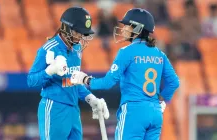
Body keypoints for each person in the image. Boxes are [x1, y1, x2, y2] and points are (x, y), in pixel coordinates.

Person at [71, 8, 180, 140]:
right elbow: (174, 82)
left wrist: (86, 80)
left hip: (133, 112)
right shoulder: (159, 54)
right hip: (155, 114)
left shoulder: (127, 52)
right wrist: (161, 103)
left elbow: (107, 83)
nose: (123, 29)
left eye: (127, 26)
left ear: (137, 28)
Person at [27, 7, 109, 140]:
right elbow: (31, 80)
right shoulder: (48, 49)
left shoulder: (77, 49)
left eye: (83, 33)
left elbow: (72, 81)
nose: (81, 36)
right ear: (66, 28)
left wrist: (90, 98)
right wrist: (50, 71)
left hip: (73, 110)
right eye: (78, 32)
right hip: (54, 108)